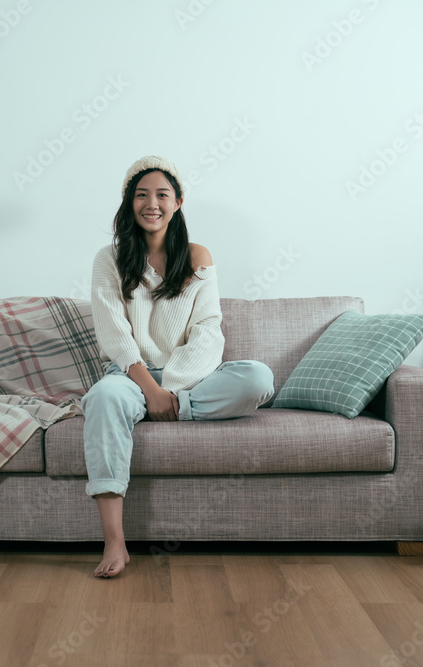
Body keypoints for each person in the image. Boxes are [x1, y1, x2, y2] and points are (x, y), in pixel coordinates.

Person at [84, 155, 275, 578]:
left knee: (258, 377)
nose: (151, 203)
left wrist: (170, 391)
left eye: (162, 195)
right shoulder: (108, 259)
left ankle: (178, 408)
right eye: (141, 195)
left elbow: (209, 329)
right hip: (130, 377)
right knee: (102, 397)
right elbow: (115, 334)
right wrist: (149, 391)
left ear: (179, 202)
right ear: (128, 203)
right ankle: (115, 542)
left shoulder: (197, 256)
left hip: (188, 381)